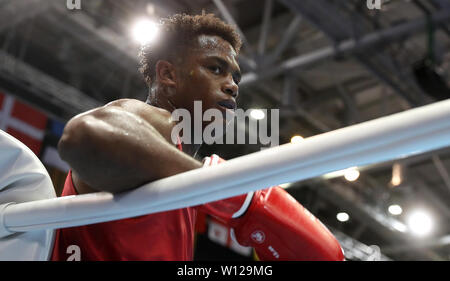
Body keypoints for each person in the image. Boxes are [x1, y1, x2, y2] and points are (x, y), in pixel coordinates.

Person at [51, 13, 344, 261]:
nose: (232, 86)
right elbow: (82, 136)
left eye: (236, 78)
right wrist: (225, 192)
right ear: (168, 75)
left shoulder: (176, 178)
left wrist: (210, 187)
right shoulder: (158, 122)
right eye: (215, 68)